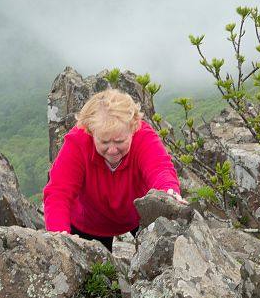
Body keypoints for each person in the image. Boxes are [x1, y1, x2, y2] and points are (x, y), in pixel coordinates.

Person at [43, 88, 185, 251]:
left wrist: (168, 193)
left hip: (137, 215)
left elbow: (160, 169)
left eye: (119, 141)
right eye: (104, 142)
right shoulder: (78, 143)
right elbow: (59, 192)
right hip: (89, 222)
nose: (112, 150)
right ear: (90, 132)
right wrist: (59, 237)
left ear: (133, 129)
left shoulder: (143, 137)